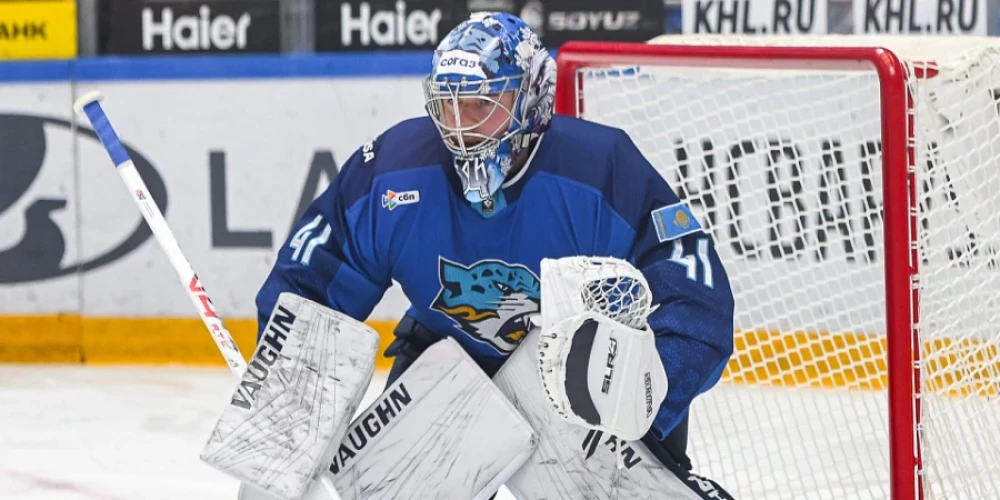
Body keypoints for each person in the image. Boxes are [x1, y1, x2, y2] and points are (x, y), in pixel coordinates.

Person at [255, 11, 735, 498]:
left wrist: (647, 397)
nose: (461, 126)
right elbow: (309, 282)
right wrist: (288, 396)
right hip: (448, 362)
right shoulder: (392, 172)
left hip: (580, 381)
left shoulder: (601, 169)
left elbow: (697, 298)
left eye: (482, 104)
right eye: (449, 104)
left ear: (531, 99)